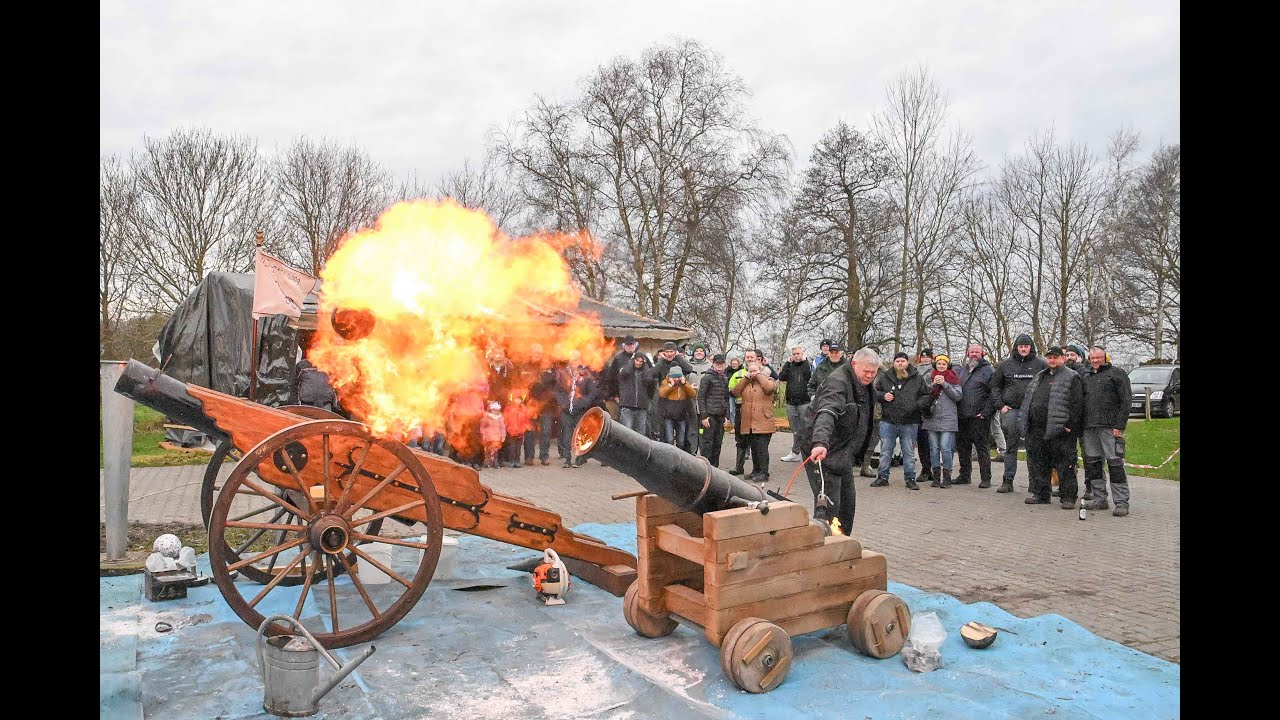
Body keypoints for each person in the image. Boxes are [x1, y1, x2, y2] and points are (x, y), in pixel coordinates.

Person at [804, 347, 879, 535]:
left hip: (843, 451)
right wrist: (820, 442)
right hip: (822, 449)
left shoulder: (864, 383)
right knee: (829, 505)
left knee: (847, 503)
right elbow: (827, 412)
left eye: (873, 372)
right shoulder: (837, 382)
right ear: (854, 364)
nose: (870, 376)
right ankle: (825, 544)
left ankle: (843, 542)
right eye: (866, 371)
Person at [1017, 346, 1083, 507]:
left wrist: (1069, 426)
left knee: (1065, 465)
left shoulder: (1072, 377)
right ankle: (1041, 494)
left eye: (1055, 357)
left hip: (1060, 430)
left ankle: (1068, 498)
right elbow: (1028, 400)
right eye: (1050, 357)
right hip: (1037, 428)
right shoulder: (1040, 376)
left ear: (1063, 358)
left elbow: (1077, 404)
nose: (1052, 360)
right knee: (1039, 463)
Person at [991, 334, 1048, 493]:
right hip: (1011, 410)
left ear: (1031, 347)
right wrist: (1000, 405)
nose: (1023, 349)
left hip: (1033, 411)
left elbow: (1048, 386)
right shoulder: (1004, 365)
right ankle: (1008, 480)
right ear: (1016, 347)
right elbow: (995, 387)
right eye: (1021, 346)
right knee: (1011, 447)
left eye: (1026, 346)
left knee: (1033, 448)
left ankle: (1034, 482)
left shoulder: (1041, 364)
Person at [1081, 345, 1133, 516]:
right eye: (1093, 358)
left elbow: (1126, 400)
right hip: (1089, 427)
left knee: (1115, 464)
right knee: (1093, 464)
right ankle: (1099, 499)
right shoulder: (1086, 376)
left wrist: (1120, 425)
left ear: (1105, 358)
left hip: (1110, 428)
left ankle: (1121, 502)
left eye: (1098, 357)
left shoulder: (1117, 374)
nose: (1095, 360)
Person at [871, 351, 931, 490]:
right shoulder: (885, 376)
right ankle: (882, 477)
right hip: (888, 419)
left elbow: (926, 396)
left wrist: (916, 405)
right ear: (894, 363)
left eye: (902, 361)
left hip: (910, 420)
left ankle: (910, 478)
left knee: (908, 451)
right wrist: (883, 396)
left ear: (907, 362)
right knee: (885, 450)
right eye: (897, 361)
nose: (900, 363)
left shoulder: (917, 378)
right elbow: (874, 392)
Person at [955, 343, 999, 488]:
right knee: (963, 447)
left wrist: (986, 412)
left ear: (982, 354)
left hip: (979, 416)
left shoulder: (989, 371)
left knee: (982, 448)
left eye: (977, 352)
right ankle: (964, 475)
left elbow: (994, 393)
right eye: (972, 352)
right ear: (967, 354)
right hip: (962, 416)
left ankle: (985, 478)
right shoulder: (963, 370)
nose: (974, 354)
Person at [730, 356, 777, 481]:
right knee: (754, 447)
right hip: (749, 420)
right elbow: (735, 392)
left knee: (762, 448)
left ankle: (764, 472)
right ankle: (755, 470)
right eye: (750, 371)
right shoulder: (746, 382)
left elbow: (769, 388)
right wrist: (746, 378)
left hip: (763, 420)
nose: (753, 373)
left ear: (760, 370)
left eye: (755, 370)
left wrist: (759, 375)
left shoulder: (769, 380)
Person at [922, 354, 963, 488]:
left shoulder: (953, 378)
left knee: (946, 448)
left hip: (948, 419)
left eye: (943, 364)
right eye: (939, 363)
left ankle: (947, 477)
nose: (941, 366)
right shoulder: (929, 377)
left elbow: (958, 396)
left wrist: (945, 384)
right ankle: (936, 476)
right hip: (931, 418)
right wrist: (933, 385)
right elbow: (923, 394)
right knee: (934, 449)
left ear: (948, 366)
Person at [556, 353, 597, 468]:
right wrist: (564, 403)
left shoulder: (586, 375)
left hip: (580, 410)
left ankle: (580, 458)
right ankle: (567, 459)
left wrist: (582, 402)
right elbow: (558, 391)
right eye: (572, 359)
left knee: (580, 434)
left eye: (576, 359)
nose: (574, 362)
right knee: (566, 434)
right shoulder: (563, 374)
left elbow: (591, 393)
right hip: (566, 410)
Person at [778, 346, 814, 462]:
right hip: (791, 402)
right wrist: (787, 363)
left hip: (804, 402)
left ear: (802, 354)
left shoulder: (807, 365)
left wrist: (805, 361)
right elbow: (782, 377)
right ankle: (796, 452)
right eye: (794, 354)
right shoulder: (790, 365)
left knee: (806, 428)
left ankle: (807, 452)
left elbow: (809, 376)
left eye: (798, 353)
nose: (796, 356)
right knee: (795, 429)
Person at [524, 344, 559, 466]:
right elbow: (520, 383)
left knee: (546, 431)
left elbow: (554, 386)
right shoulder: (525, 367)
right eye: (535, 352)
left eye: (539, 352)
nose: (537, 355)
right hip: (530, 405)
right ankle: (529, 457)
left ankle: (544, 456)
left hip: (546, 406)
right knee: (530, 432)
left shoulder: (549, 367)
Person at [698, 353, 732, 467]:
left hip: (720, 416)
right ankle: (705, 467)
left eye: (721, 363)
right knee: (707, 443)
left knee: (718, 443)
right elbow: (701, 397)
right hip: (709, 415)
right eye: (717, 363)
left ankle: (714, 467)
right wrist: (704, 416)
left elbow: (726, 398)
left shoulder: (724, 378)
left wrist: (727, 416)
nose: (719, 365)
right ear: (713, 364)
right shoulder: (707, 378)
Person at [657, 366, 698, 453]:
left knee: (681, 441)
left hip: (681, 416)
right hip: (669, 416)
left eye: (678, 377)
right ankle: (670, 455)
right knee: (669, 439)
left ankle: (680, 456)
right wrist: (671, 385)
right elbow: (661, 393)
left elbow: (693, 394)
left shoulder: (684, 384)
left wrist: (684, 384)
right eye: (674, 377)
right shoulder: (665, 383)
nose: (676, 380)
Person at [603, 335, 644, 420]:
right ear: (624, 346)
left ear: (635, 345)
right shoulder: (618, 359)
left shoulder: (642, 357)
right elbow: (611, 378)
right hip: (623, 399)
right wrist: (615, 395)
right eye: (628, 345)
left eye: (632, 345)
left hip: (639, 400)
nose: (630, 347)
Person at [617, 352, 657, 436]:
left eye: (641, 361)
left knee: (640, 433)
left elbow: (649, 380)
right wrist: (631, 363)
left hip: (642, 406)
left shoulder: (645, 372)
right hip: (627, 405)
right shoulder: (625, 369)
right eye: (636, 360)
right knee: (627, 431)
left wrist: (645, 366)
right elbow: (625, 372)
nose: (638, 363)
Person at [914, 348, 936, 486]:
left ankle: (935, 469)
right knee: (922, 441)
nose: (925, 359)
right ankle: (925, 469)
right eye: (923, 357)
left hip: (932, 408)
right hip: (918, 409)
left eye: (928, 357)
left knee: (933, 442)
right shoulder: (914, 371)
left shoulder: (935, 370)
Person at [502, 394, 532, 468]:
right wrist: (505, 427)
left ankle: (517, 461)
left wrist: (526, 427)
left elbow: (527, 419)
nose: (517, 401)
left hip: (520, 431)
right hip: (511, 431)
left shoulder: (524, 408)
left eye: (519, 399)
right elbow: (506, 418)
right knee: (512, 447)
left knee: (518, 448)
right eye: (516, 399)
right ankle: (512, 461)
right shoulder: (509, 408)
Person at [480, 401, 507, 469]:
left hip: (497, 437)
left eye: (496, 410)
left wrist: (503, 436)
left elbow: (502, 427)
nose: (495, 411)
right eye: (494, 410)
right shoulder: (486, 417)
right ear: (491, 409)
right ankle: (487, 462)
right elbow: (482, 427)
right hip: (488, 436)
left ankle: (495, 462)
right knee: (487, 450)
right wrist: (483, 435)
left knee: (495, 451)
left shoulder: (500, 417)